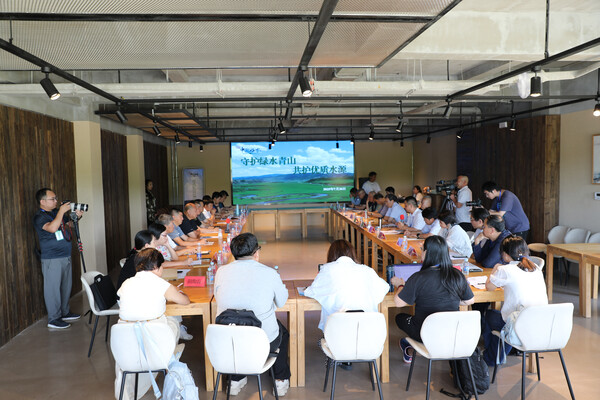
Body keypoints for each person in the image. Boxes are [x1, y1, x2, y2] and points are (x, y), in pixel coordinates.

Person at [214, 233, 291, 396]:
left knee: (237, 330)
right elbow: (282, 301)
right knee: (282, 333)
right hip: (261, 341)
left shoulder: (221, 271)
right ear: (256, 253)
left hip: (228, 340)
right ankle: (280, 380)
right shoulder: (269, 273)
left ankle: (235, 379)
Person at [115, 248, 191, 400]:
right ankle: (169, 358)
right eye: (162, 266)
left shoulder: (126, 284)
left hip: (125, 348)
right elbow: (185, 301)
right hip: (156, 346)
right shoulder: (161, 284)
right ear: (156, 267)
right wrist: (179, 293)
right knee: (172, 321)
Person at [391, 236, 474, 363]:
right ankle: (416, 349)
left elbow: (398, 302)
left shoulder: (418, 277)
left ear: (426, 253)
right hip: (451, 332)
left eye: (422, 249)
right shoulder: (457, 275)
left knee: (399, 318)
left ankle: (413, 349)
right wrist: (449, 299)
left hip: (424, 332)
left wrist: (401, 285)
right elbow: (469, 301)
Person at [482, 236, 548, 366]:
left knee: (489, 315)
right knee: (507, 318)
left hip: (518, 324)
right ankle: (499, 353)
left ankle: (492, 358)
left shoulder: (504, 270)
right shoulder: (535, 268)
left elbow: (488, 287)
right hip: (541, 323)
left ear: (506, 255)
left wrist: (495, 268)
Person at [304, 240, 389, 331]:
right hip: (370, 332)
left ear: (331, 255)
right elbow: (385, 287)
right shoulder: (367, 270)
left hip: (338, 331)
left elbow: (311, 292)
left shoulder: (328, 269)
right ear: (353, 253)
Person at [33, 188, 83, 329]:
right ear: (42, 201)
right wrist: (61, 211)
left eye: (56, 198)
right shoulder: (39, 217)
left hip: (65, 255)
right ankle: (54, 319)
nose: (56, 201)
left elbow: (69, 225)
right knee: (53, 289)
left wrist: (77, 217)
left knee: (66, 286)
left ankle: (65, 312)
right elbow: (52, 228)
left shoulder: (55, 212)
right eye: (52, 199)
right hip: (52, 258)